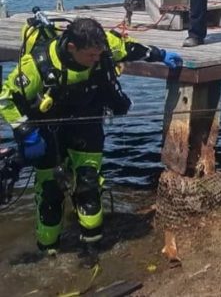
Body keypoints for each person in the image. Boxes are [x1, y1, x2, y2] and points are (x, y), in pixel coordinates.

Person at [0, 16, 182, 255]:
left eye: (99, 54)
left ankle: (92, 247)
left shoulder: (103, 47)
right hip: (49, 132)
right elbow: (6, 99)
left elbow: (131, 49)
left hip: (87, 125)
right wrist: (25, 132)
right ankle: (48, 250)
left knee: (89, 184)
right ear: (72, 47)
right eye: (90, 56)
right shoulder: (36, 65)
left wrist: (161, 55)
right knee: (50, 192)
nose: (96, 60)